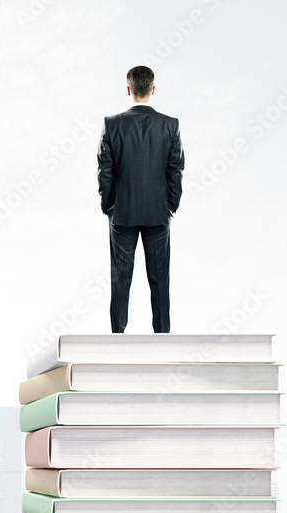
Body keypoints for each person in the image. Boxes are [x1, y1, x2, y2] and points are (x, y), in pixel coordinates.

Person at [97, 65, 185, 332]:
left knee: (120, 279)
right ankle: (162, 339)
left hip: (122, 213)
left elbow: (105, 170)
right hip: (158, 213)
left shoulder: (111, 124)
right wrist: (170, 205)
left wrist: (109, 206)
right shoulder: (170, 125)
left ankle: (117, 338)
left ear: (129, 89)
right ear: (152, 89)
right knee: (160, 280)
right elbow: (176, 169)